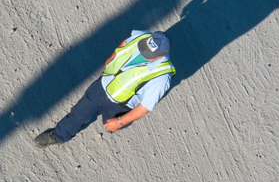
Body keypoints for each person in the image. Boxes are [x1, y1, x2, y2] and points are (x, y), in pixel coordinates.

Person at [34, 30, 175, 148]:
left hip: (119, 104)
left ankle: (115, 124)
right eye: (144, 48)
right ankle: (59, 135)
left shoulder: (161, 77)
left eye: (148, 55)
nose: (142, 52)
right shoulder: (143, 36)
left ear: (161, 56)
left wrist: (119, 122)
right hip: (103, 83)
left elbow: (144, 107)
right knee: (79, 112)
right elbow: (126, 43)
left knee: (110, 123)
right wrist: (112, 58)